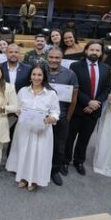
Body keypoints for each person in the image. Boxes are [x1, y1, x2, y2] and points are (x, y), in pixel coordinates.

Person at [6, 65, 60, 191]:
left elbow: (56, 112)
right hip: (24, 128)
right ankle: (24, 177)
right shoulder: (23, 91)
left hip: (42, 129)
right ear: (30, 76)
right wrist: (18, 111)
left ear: (44, 77)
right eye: (34, 74)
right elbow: (17, 108)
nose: (36, 77)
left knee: (38, 154)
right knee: (24, 152)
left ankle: (34, 180)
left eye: (39, 75)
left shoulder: (51, 93)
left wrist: (51, 118)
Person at [64, 41, 111, 176]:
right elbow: (74, 87)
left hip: (94, 110)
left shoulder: (106, 68)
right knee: (70, 137)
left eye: (97, 50)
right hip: (78, 109)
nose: (94, 52)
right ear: (86, 51)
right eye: (92, 49)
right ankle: (65, 161)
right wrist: (88, 102)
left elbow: (107, 88)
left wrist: (96, 102)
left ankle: (79, 161)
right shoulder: (75, 66)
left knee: (85, 138)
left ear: (101, 53)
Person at [46, 48, 78, 186]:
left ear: (62, 59)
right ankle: (40, 168)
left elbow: (74, 98)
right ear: (47, 58)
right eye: (51, 57)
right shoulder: (40, 71)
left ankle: (54, 170)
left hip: (62, 116)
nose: (54, 60)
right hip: (42, 116)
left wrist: (68, 118)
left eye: (57, 57)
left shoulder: (70, 74)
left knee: (59, 146)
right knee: (41, 144)